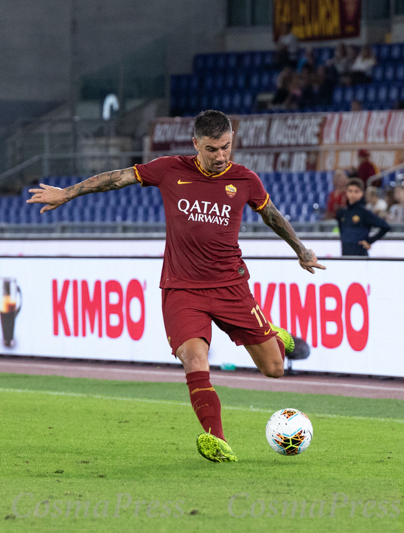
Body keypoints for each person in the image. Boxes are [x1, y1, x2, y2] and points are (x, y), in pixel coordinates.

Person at [27, 110, 325, 463]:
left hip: (232, 287)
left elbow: (272, 215)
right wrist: (68, 193)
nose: (220, 156)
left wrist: (301, 250)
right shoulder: (170, 169)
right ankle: (216, 438)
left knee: (274, 369)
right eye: (212, 149)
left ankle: (277, 336)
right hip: (182, 289)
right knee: (194, 358)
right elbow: (117, 178)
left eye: (226, 147)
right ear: (196, 144)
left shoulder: (244, 180)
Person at [336, 178, 390, 256]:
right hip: (345, 255)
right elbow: (341, 231)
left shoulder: (364, 213)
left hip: (360, 257)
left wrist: (369, 241)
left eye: (356, 191)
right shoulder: (342, 212)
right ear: (346, 192)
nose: (353, 194)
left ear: (361, 193)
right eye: (350, 191)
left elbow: (385, 226)